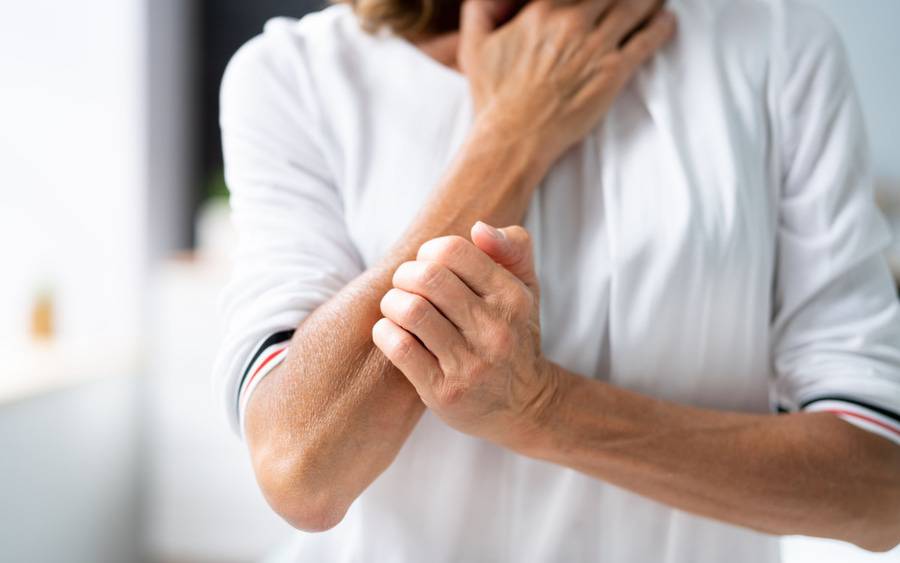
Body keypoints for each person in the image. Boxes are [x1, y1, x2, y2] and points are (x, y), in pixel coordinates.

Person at [213, 0, 900, 560]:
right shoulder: (294, 77)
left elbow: (880, 488)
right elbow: (303, 470)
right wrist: (513, 133)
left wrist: (544, 410)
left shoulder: (780, 49)